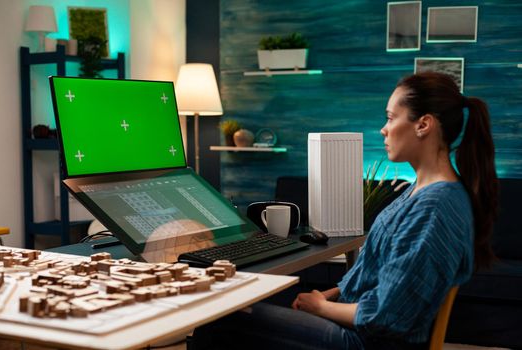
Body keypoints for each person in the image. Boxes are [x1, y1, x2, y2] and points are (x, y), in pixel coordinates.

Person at [190, 72, 498, 350]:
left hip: (364, 342)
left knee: (219, 319)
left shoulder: (434, 206)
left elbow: (386, 315)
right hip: (359, 327)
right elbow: (382, 275)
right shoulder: (423, 192)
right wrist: (327, 295)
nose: (383, 129)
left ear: (423, 125)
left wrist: (321, 308)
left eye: (391, 118)